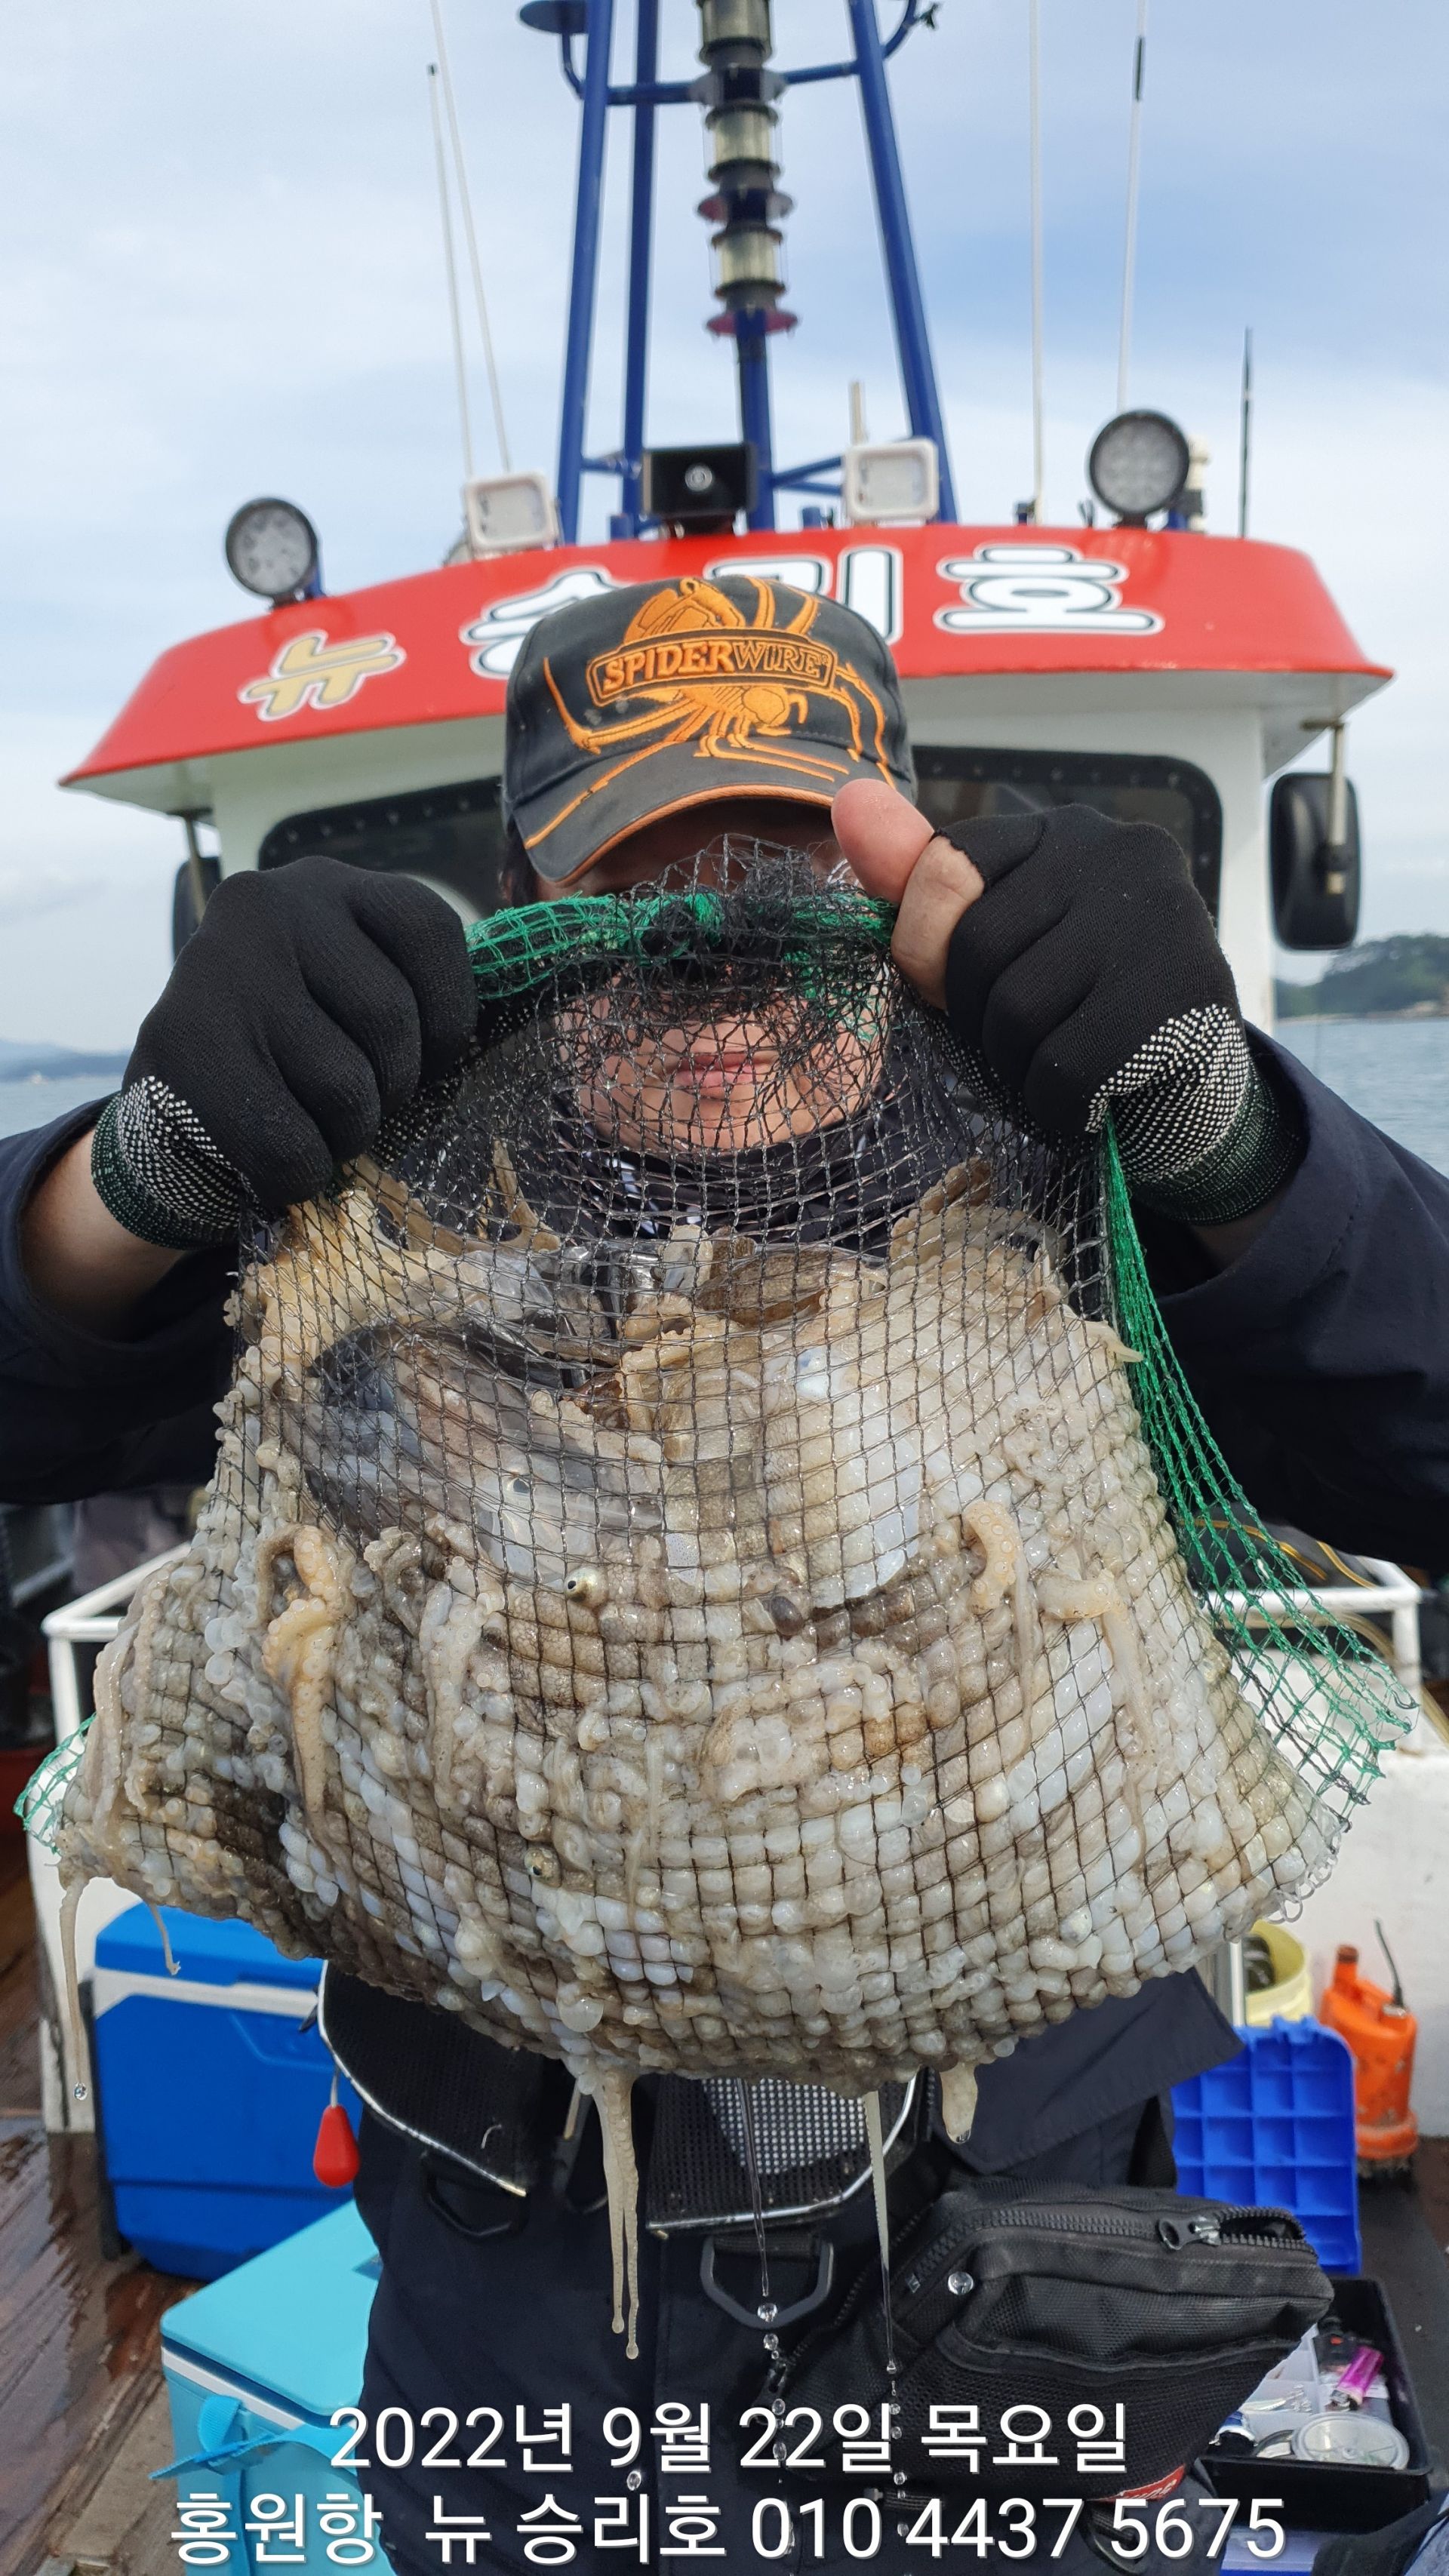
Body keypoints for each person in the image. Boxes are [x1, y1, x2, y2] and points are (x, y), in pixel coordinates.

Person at [4, 573, 1447, 2574]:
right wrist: (123, 1189)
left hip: (1022, 2303)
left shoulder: (1067, 1169)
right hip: (528, 2357)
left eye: (783, 866)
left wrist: (1222, 1135)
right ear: (540, 886)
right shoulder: (370, 1203)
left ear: (897, 860)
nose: (718, 953)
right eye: (644, 868)